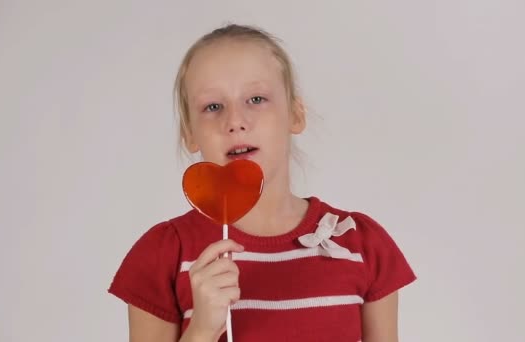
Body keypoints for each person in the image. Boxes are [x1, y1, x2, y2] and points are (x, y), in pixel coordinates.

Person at [108, 23, 416, 342]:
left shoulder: (361, 244)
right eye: (213, 106)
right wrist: (202, 329)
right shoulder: (163, 255)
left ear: (295, 115)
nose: (235, 121)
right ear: (189, 132)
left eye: (256, 98)